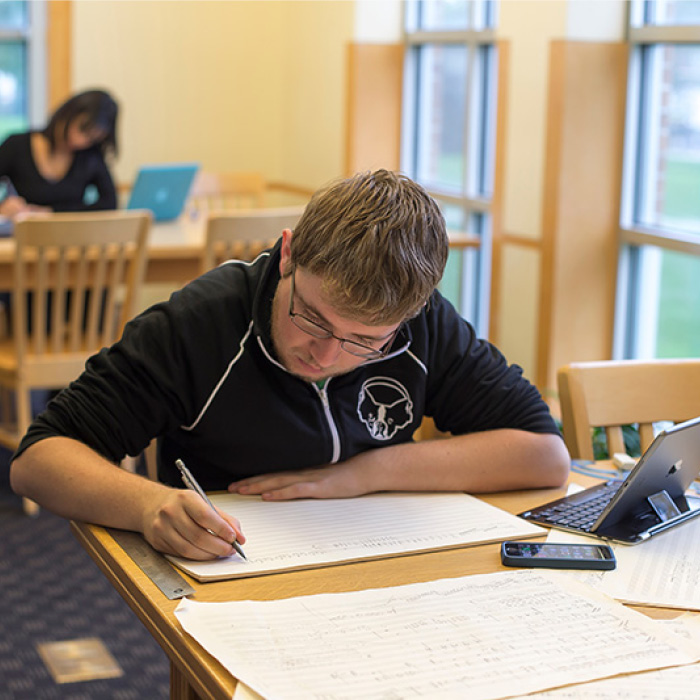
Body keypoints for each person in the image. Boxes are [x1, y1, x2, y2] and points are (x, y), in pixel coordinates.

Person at [10, 170, 570, 561]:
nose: (325, 357)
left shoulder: (421, 324)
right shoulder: (201, 323)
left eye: (365, 341)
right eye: (313, 318)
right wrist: (147, 504)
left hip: (383, 559)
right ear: (288, 254)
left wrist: (362, 475)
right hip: (237, 570)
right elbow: (38, 459)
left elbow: (543, 456)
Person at [0, 89, 118, 219]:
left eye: (92, 139)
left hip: (71, 237)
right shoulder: (16, 145)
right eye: (82, 129)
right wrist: (2, 207)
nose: (81, 141)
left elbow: (109, 203)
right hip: (21, 235)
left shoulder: (90, 155)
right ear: (68, 113)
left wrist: (52, 212)